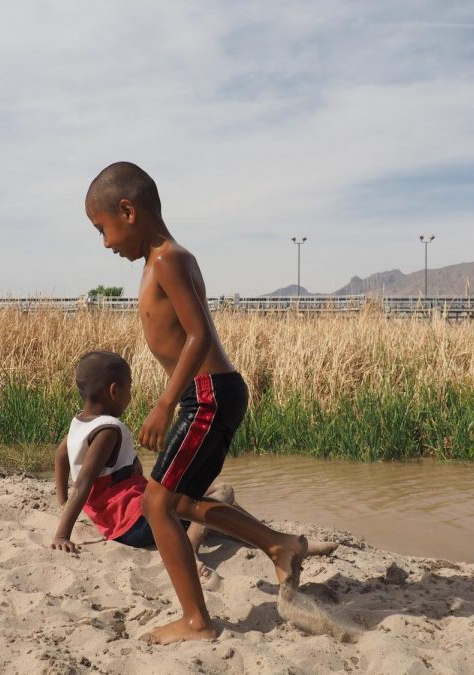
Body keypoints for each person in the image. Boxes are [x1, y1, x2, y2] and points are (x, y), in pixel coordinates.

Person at [84, 162, 335, 644]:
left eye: (103, 229)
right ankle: (278, 544)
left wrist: (164, 403)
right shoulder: (163, 260)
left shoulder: (167, 260)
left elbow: (198, 336)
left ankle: (197, 622)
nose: (105, 243)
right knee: (180, 500)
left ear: (128, 211)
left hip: (206, 397)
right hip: (210, 394)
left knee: (157, 505)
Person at [49, 351, 228, 586]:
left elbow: (61, 457)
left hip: (118, 520)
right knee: (224, 491)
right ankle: (189, 550)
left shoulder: (80, 423)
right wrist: (62, 534)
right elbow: (84, 481)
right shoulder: (108, 431)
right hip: (138, 523)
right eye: (130, 388)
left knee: (208, 492)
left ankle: (248, 532)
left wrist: (62, 504)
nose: (131, 394)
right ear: (114, 391)